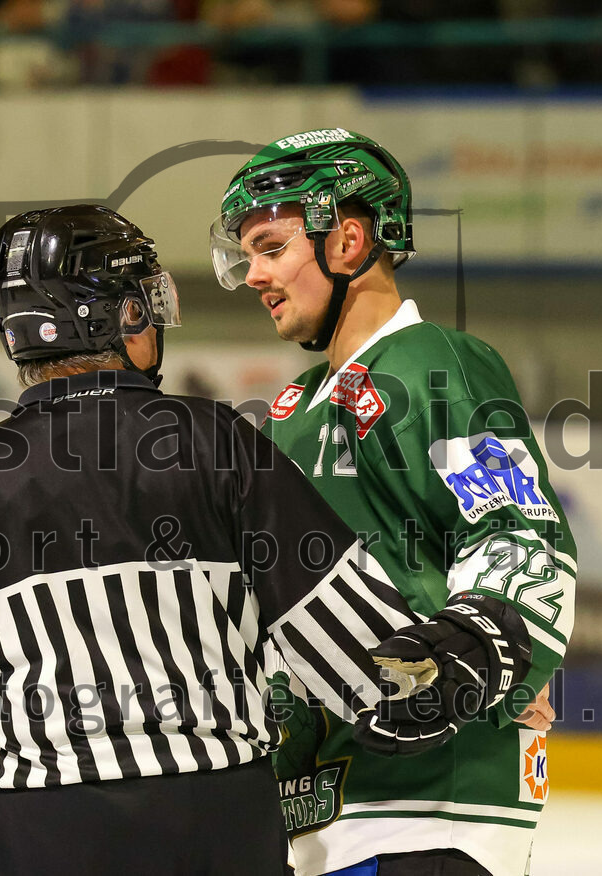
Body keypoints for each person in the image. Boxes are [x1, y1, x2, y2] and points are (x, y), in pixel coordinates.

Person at [0, 204, 434, 875]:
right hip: (219, 827)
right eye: (145, 302)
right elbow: (367, 661)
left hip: (47, 834)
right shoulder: (221, 444)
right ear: (118, 317)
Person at [210, 129, 576, 876]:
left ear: (348, 241)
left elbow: (517, 534)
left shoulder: (425, 363)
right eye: (245, 254)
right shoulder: (297, 407)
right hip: (319, 806)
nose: (253, 275)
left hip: (427, 810)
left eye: (272, 247)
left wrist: (491, 658)